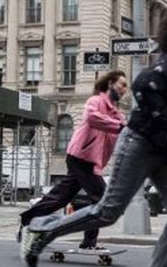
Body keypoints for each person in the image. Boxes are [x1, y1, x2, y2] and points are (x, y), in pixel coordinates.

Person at [20, 0, 167, 267]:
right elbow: (144, 86)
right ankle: (41, 231)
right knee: (108, 211)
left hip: (164, 152)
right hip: (142, 143)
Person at [17, 70, 128, 250]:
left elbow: (125, 131)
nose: (125, 89)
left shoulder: (116, 113)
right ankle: (87, 242)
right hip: (80, 157)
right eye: (122, 84)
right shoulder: (96, 101)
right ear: (110, 84)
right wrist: (119, 126)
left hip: (91, 161)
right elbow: (93, 118)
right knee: (102, 198)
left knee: (61, 197)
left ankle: (28, 220)